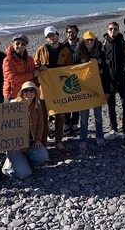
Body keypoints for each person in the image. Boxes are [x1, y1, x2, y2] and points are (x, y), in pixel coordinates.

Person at [34, 26, 73, 154]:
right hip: (45, 90)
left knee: (60, 116)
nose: (51, 38)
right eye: (49, 36)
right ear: (46, 38)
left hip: (60, 90)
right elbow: (35, 66)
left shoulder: (65, 50)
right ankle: (43, 143)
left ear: (58, 35)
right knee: (44, 118)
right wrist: (40, 69)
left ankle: (58, 142)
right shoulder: (41, 50)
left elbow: (70, 69)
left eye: (53, 35)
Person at [2, 81, 48, 180]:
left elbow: (41, 124)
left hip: (30, 143)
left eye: (32, 90)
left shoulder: (37, 105)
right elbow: (5, 127)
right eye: (26, 90)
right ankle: (9, 164)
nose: (29, 93)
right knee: (24, 175)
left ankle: (21, 165)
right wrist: (12, 144)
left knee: (43, 156)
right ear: (22, 93)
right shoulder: (13, 106)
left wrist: (38, 139)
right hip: (16, 147)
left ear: (35, 93)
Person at [75, 31, 110, 153]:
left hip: (97, 89)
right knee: (84, 117)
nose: (89, 42)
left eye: (92, 40)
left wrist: (107, 91)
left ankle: (99, 136)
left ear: (95, 41)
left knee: (98, 116)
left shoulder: (101, 53)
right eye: (87, 40)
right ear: (83, 41)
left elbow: (106, 73)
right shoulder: (78, 54)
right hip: (84, 90)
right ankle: (83, 140)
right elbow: (72, 71)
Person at [101, 22, 125, 138]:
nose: (113, 31)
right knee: (111, 106)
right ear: (107, 30)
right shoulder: (103, 45)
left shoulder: (123, 43)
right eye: (111, 29)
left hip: (122, 78)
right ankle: (113, 128)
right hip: (109, 80)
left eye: (115, 29)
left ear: (118, 30)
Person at [3, 34, 39, 102]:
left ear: (26, 46)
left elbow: (34, 73)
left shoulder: (30, 59)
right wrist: (32, 74)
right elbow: (12, 79)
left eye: (23, 44)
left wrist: (40, 69)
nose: (20, 46)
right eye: (17, 43)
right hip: (13, 95)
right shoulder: (8, 60)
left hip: (28, 93)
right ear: (13, 44)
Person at [63, 24, 80, 135]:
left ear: (76, 32)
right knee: (66, 100)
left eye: (73, 32)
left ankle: (74, 122)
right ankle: (66, 123)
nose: (71, 33)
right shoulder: (63, 46)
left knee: (77, 101)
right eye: (69, 32)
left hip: (79, 77)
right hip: (66, 77)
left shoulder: (81, 45)